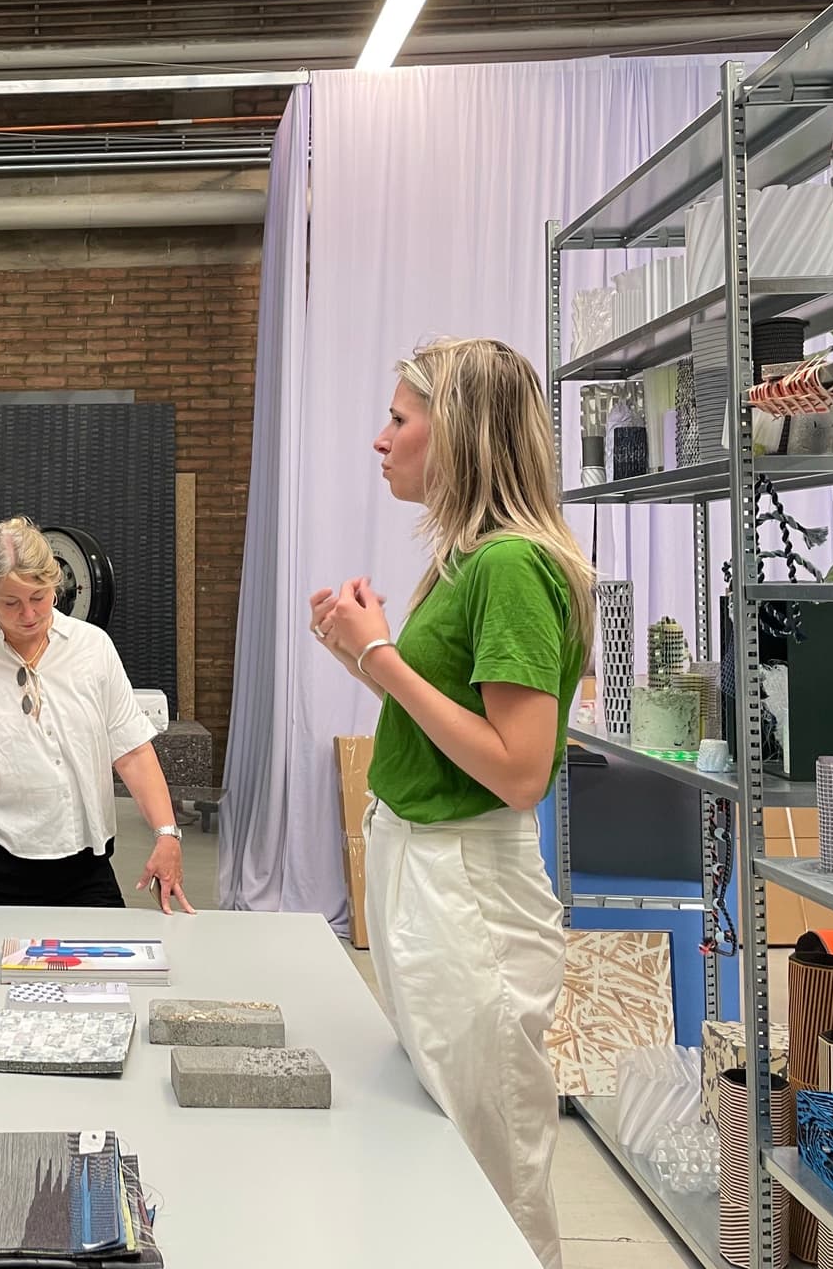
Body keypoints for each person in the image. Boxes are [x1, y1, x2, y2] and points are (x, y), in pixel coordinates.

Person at [309, 337, 590, 1269]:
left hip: (465, 880)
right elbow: (448, 728)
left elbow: (518, 771)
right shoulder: (470, 563)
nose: (380, 440)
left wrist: (380, 659)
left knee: (490, 1160)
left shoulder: (510, 568)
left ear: (459, 431)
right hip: (429, 867)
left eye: (399, 418)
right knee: (454, 1132)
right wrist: (363, 651)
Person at [0, 516, 193, 913]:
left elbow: (133, 753)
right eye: (10, 602)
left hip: (84, 867)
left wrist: (166, 834)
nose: (28, 615)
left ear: (56, 586)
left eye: (39, 597)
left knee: (103, 971)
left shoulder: (93, 649)